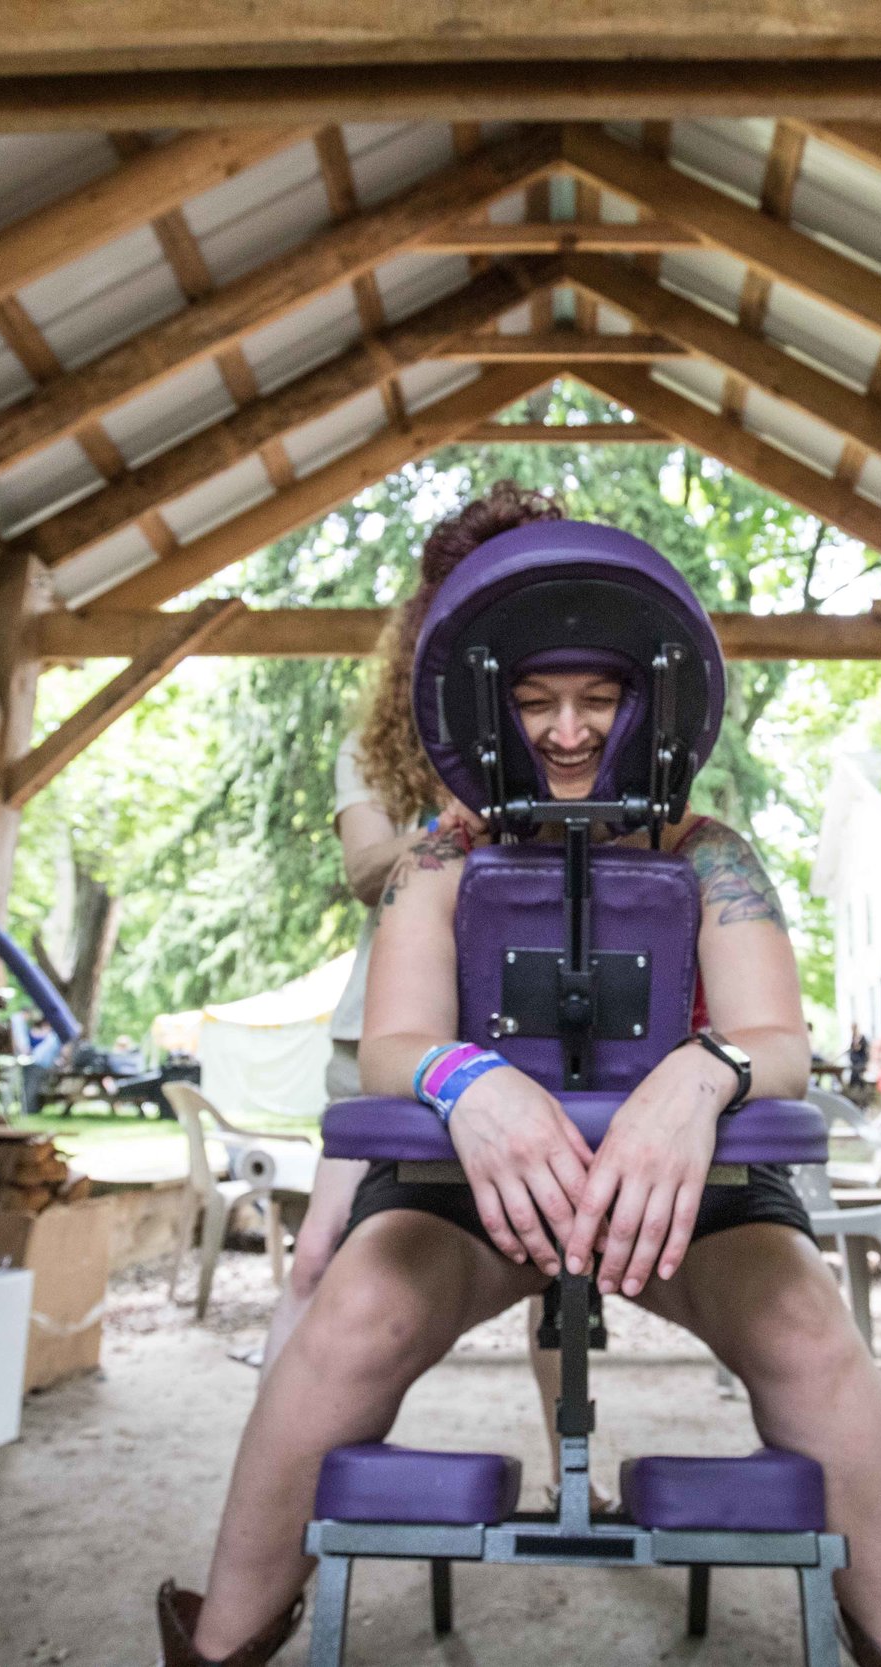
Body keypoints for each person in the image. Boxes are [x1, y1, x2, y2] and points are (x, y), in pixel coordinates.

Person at [155, 496, 881, 1667]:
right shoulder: (438, 854)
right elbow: (390, 1046)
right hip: (468, 1181)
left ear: (651, 699)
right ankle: (220, 1645)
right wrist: (468, 1080)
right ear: (493, 704)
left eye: (597, 698)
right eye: (536, 702)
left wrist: (697, 1079)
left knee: (809, 1329)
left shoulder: (710, 852)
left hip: (682, 1191)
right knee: (346, 1319)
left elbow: (776, 1038)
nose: (569, 730)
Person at [256, 486, 581, 1502]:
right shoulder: (383, 745)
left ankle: (572, 1476)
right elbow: (365, 871)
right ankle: (277, 1497)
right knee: (320, 1262)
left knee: (556, 1270)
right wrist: (459, 818)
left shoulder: (571, 718)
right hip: (389, 1040)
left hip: (537, 1030)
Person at [847, 1022, 871, 1092]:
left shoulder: (862, 1037)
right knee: (854, 1077)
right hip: (854, 1063)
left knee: (858, 1077)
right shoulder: (853, 1037)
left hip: (861, 1062)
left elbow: (863, 1049)